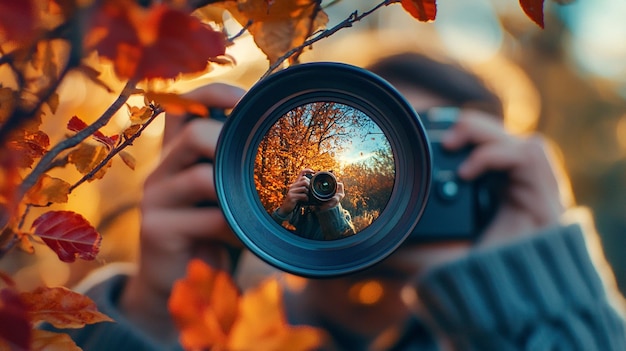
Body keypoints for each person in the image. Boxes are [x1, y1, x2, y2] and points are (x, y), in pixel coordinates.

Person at [43, 53, 626, 350]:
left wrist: (541, 297)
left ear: (495, 187)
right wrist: (156, 317)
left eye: (440, 158)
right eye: (400, 147)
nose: (410, 190)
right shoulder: (241, 330)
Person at [271, 168, 356, 241]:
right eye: (315, 184)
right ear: (307, 184)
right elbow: (268, 238)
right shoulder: (297, 212)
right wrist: (284, 211)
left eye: (326, 186)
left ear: (335, 191)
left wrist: (331, 210)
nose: (319, 191)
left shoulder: (341, 216)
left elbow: (347, 250)